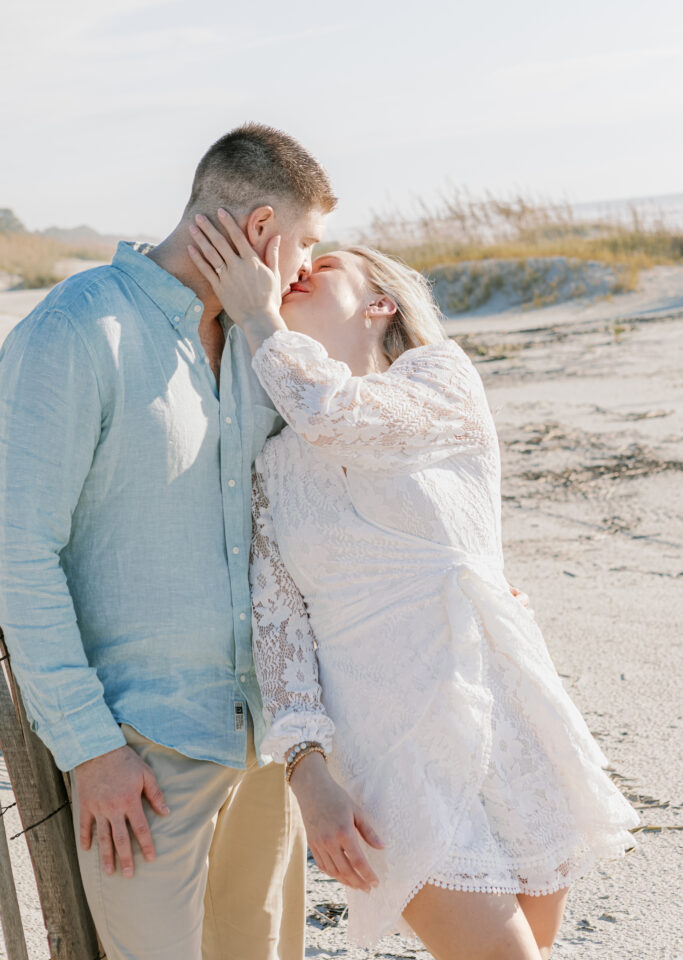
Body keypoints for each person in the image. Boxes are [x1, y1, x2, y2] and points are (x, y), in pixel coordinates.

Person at [188, 218, 640, 960]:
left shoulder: (440, 380)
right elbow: (281, 633)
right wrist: (309, 775)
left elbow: (338, 417)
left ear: (380, 306)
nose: (297, 270)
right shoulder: (271, 468)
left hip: (502, 714)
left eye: (324, 264)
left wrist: (261, 317)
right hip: (388, 751)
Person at [0, 123, 336, 960]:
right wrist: (90, 751)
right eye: (305, 245)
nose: (305, 271)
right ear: (261, 229)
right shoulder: (79, 329)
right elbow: (15, 548)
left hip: (264, 750)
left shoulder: (266, 341)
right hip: (141, 760)